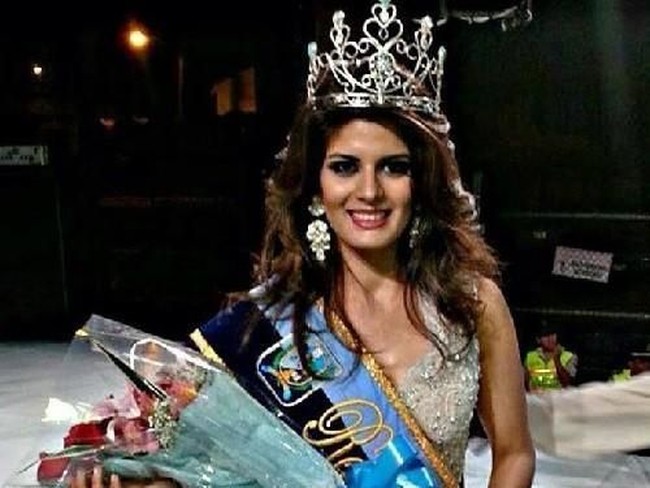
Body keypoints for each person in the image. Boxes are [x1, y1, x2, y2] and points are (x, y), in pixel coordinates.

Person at [75, 1, 534, 486]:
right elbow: (207, 471)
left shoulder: (472, 304)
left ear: (421, 182)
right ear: (315, 186)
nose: (370, 190)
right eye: (345, 167)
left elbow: (514, 454)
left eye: (394, 167)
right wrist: (131, 476)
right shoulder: (263, 325)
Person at [523, 319, 577, 392]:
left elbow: (567, 383)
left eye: (552, 334)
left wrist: (557, 359)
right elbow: (524, 383)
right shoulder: (530, 357)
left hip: (558, 398)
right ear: (538, 340)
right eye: (545, 336)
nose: (550, 339)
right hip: (536, 398)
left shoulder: (568, 356)